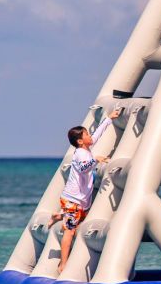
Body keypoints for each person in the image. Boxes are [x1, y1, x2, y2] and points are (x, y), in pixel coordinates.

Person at [49, 108, 120, 273]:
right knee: (70, 230)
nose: (90, 136)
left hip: (80, 200)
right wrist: (96, 159)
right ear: (80, 141)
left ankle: (58, 216)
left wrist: (109, 119)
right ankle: (63, 263)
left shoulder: (85, 148)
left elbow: (97, 135)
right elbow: (82, 169)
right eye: (87, 135)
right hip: (72, 199)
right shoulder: (81, 154)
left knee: (78, 221)